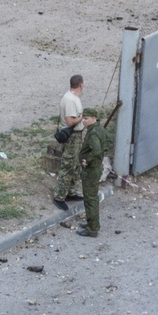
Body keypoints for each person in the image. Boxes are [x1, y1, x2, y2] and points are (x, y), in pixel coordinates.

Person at [78, 104, 115, 238]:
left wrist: (86, 160)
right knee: (91, 198)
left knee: (90, 199)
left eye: (86, 118)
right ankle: (91, 223)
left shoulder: (93, 133)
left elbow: (97, 151)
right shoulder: (98, 129)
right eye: (83, 118)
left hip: (91, 170)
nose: (83, 121)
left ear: (94, 118)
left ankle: (92, 228)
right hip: (95, 168)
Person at [53, 73, 89, 206]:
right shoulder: (70, 100)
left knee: (75, 165)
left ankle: (71, 192)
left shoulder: (71, 97)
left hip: (76, 137)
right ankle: (59, 196)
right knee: (68, 166)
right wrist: (81, 118)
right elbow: (69, 121)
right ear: (81, 85)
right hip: (72, 137)